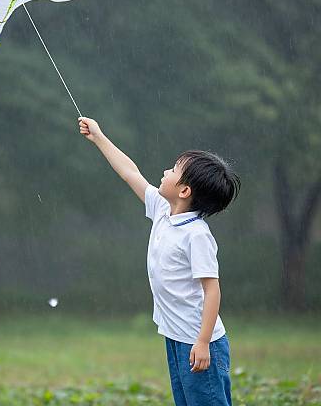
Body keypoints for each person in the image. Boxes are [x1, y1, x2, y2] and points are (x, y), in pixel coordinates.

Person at [78, 116, 240, 406]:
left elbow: (211, 289)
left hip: (200, 343)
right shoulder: (164, 211)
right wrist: (99, 137)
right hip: (176, 337)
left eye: (174, 169)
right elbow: (130, 172)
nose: (166, 171)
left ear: (184, 191)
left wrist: (203, 342)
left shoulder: (196, 234)